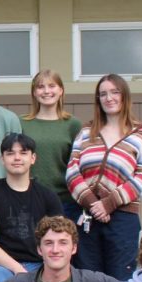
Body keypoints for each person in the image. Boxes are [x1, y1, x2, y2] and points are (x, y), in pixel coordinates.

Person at [65, 75, 142, 282]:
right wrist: (93, 203)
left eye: (115, 92)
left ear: (124, 96)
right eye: (103, 94)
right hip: (87, 216)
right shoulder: (86, 132)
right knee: (88, 279)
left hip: (122, 218)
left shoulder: (141, 134)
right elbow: (71, 171)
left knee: (121, 280)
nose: (109, 98)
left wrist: (109, 203)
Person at [0, 132, 63, 282]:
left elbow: (59, 238)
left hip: (42, 263)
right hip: (2, 266)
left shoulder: (48, 196)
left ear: (33, 158)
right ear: (2, 159)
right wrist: (17, 268)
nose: (17, 158)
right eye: (10, 153)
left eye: (23, 153)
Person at [22, 70, 83, 213]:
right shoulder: (21, 123)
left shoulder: (73, 124)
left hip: (65, 201)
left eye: (51, 86)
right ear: (34, 93)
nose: (46, 91)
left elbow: (79, 164)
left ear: (61, 90)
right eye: (40, 87)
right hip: (29, 198)